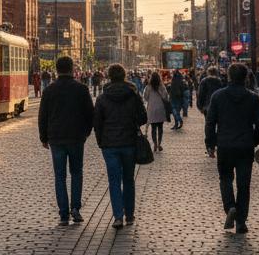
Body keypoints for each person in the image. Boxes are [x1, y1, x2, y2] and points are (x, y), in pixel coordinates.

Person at [205, 63, 259, 235]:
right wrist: (254, 140)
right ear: (246, 77)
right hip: (245, 146)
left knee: (225, 179)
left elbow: (210, 123)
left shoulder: (218, 96)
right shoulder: (253, 98)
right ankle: (241, 221)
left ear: (229, 77)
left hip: (224, 145)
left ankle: (230, 207)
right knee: (244, 185)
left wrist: (210, 143)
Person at [38, 55, 94, 226]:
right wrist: (85, 133)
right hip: (76, 137)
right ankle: (75, 209)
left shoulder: (49, 90)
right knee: (77, 173)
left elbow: (43, 116)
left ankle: (63, 214)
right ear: (72, 70)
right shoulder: (82, 89)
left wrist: (44, 137)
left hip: (56, 139)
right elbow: (90, 114)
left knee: (60, 176)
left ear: (57, 69)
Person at [92, 64, 146, 229]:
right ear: (124, 76)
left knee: (114, 181)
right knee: (128, 180)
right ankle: (129, 215)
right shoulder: (133, 94)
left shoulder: (102, 97)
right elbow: (143, 118)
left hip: (110, 145)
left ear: (108, 76)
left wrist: (101, 141)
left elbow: (97, 123)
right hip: (129, 143)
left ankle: (118, 217)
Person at [142, 71, 171, 151]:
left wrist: (151, 101)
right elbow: (166, 97)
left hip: (151, 109)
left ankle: (154, 144)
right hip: (160, 109)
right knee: (160, 128)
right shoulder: (162, 86)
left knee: (153, 128)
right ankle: (159, 144)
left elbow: (145, 97)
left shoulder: (148, 87)